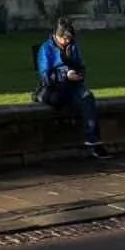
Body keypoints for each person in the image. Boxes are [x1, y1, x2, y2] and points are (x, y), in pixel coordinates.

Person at [35, 18, 108, 158]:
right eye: (64, 38)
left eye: (69, 38)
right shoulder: (46, 49)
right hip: (54, 86)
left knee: (88, 98)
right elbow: (45, 76)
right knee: (62, 100)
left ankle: (93, 141)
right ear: (57, 35)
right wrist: (65, 74)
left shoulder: (73, 47)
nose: (67, 41)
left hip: (73, 85)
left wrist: (79, 75)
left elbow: (81, 65)